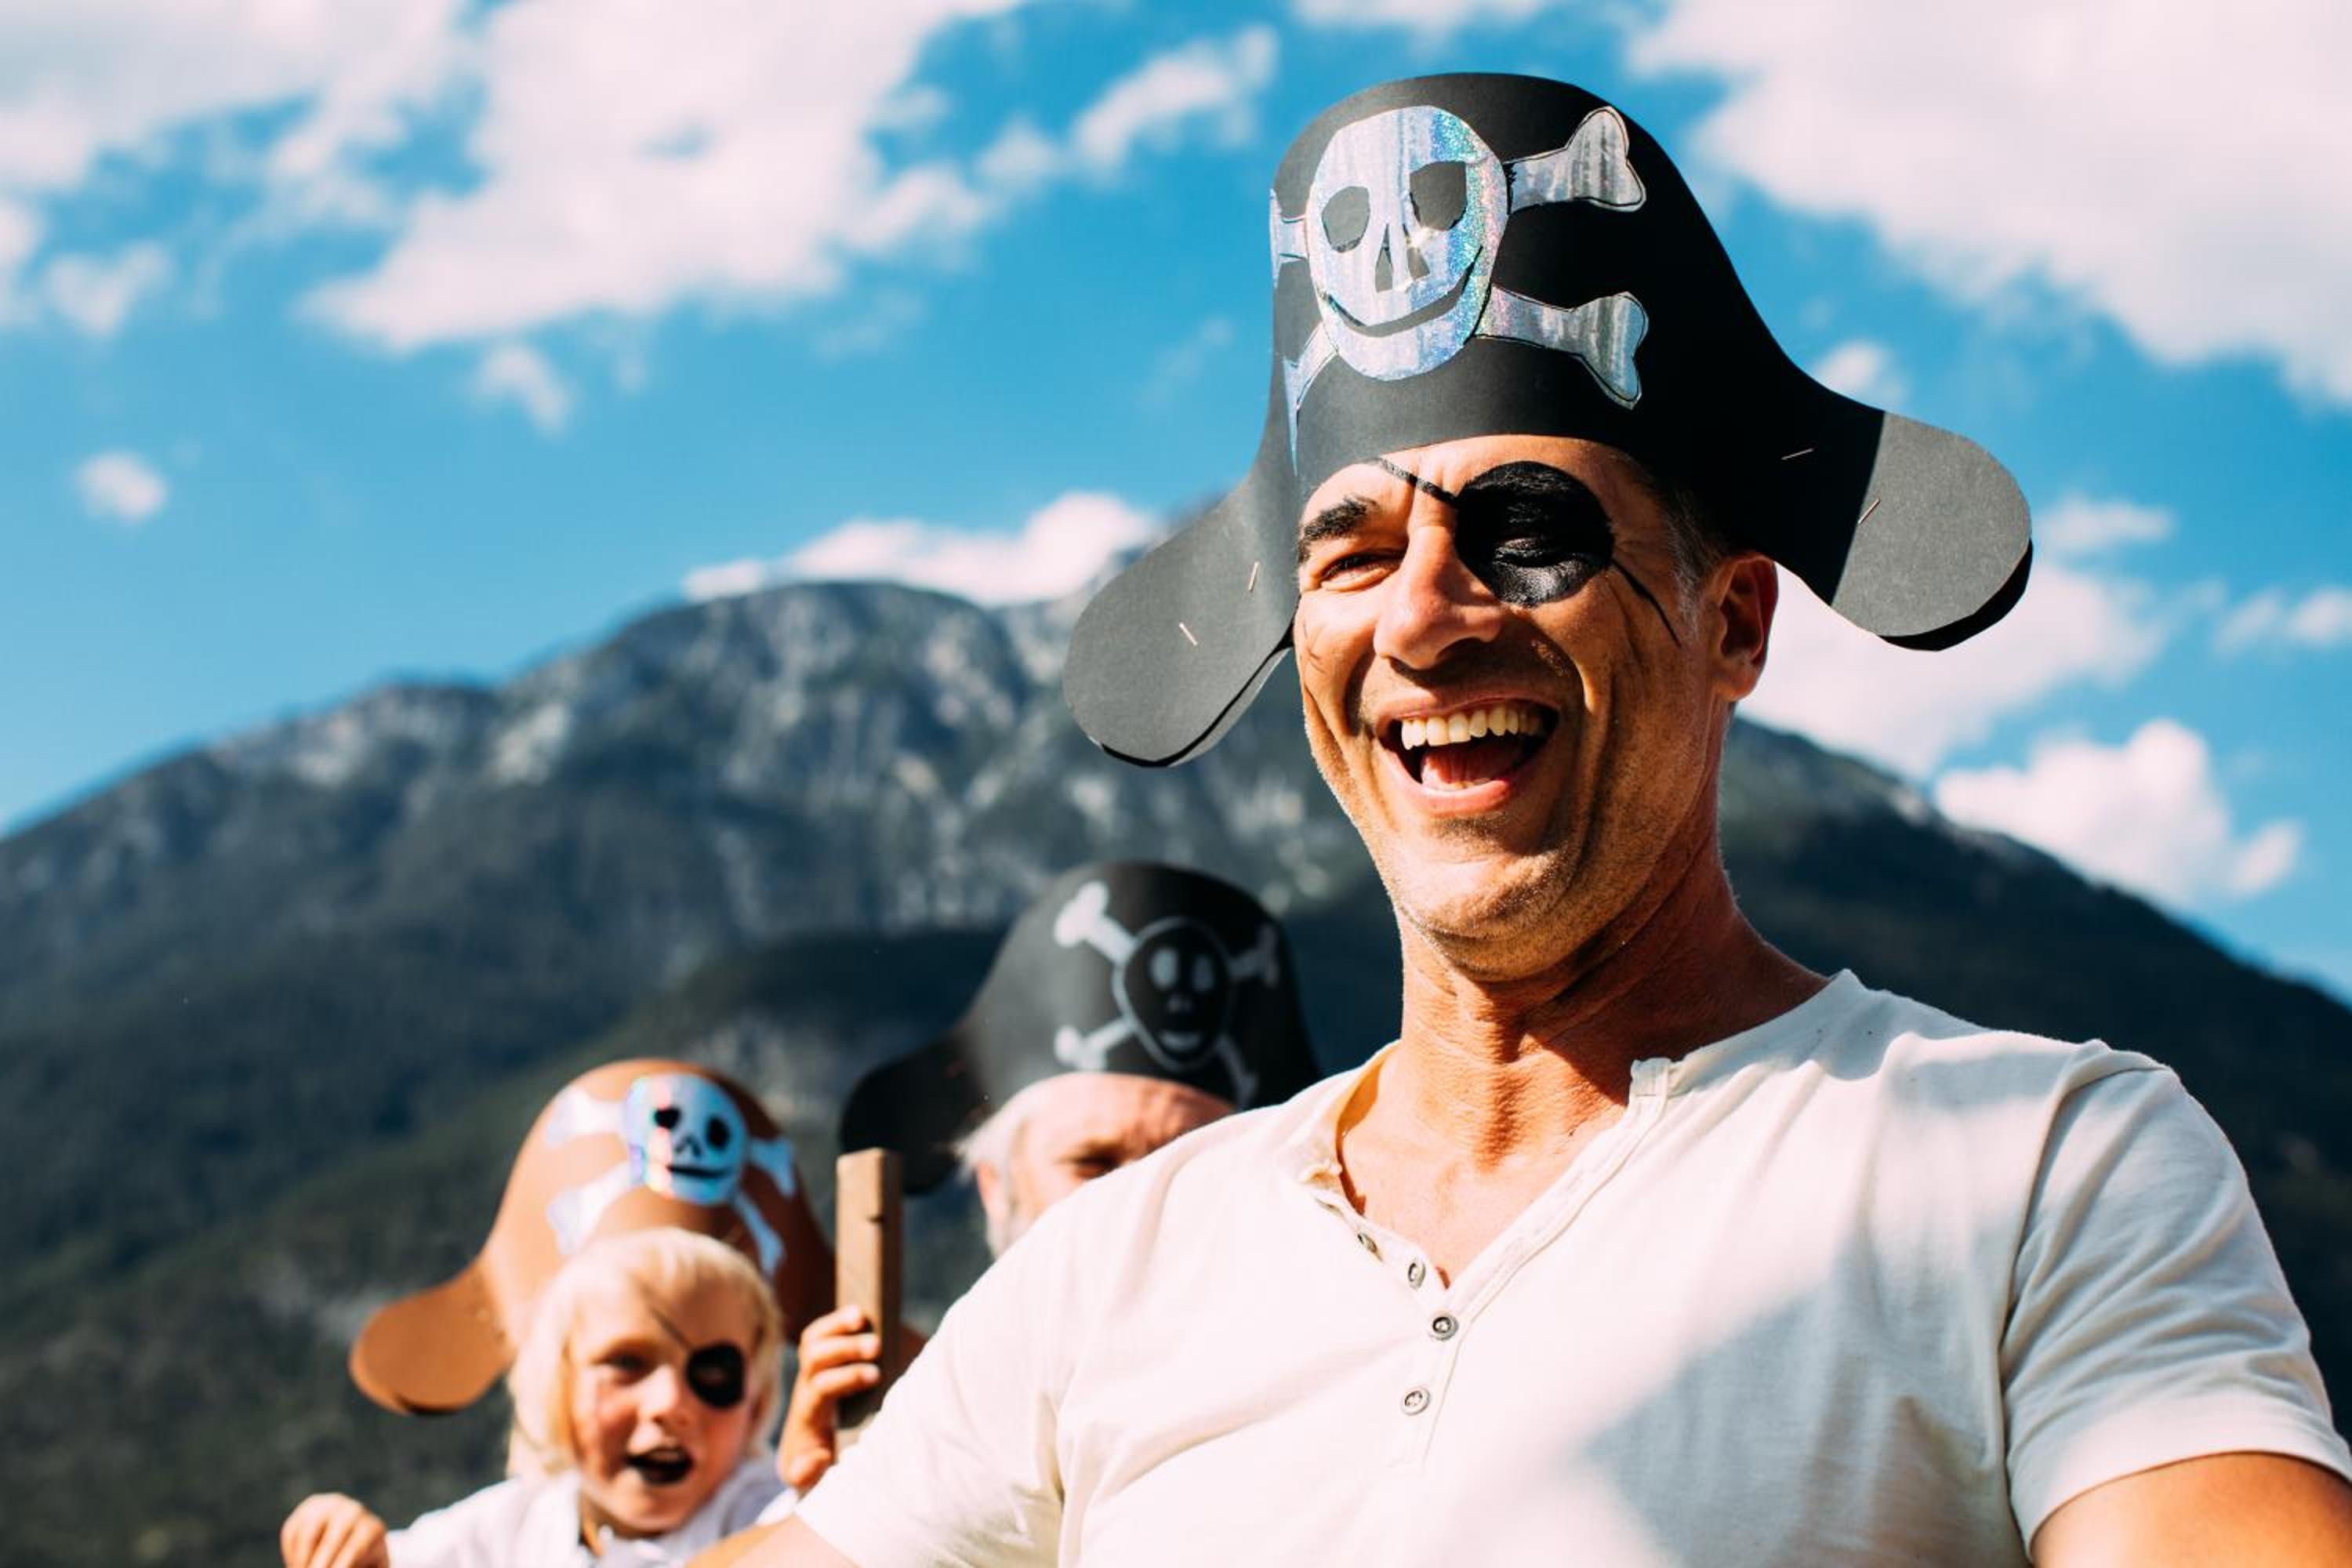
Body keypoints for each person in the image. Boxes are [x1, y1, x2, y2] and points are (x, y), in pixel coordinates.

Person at [750, 74, 2352, 1566]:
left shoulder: (2038, 1166)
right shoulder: (1110, 1272)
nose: (1423, 616)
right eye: (1350, 552)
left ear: (1735, 624)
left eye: (1528, 529)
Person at [778, 859, 1319, 1492]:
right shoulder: (921, 1445)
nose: (1140, 1201)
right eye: (1094, 1163)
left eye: (1187, 1165)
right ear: (996, 1186)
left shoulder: (1321, 1434)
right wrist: (826, 1508)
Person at [281, 1228, 792, 1566]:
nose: (668, 1403)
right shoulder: (511, 1527)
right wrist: (345, 1541)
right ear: (558, 1381)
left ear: (756, 1400)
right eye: (626, 1363)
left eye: (714, 1373)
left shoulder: (770, 1511)